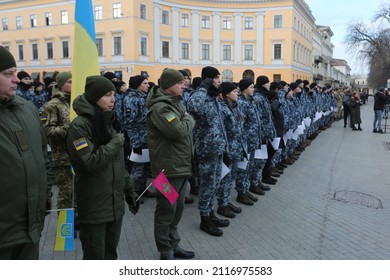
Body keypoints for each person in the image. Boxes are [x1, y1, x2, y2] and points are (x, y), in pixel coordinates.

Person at [66, 75, 139, 260]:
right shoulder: (80, 126)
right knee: (95, 258)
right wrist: (115, 142)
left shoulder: (108, 120)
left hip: (114, 204)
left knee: (110, 255)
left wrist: (129, 190)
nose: (113, 99)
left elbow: (117, 164)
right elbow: (89, 163)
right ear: (94, 97)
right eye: (107, 95)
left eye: (113, 94)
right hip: (95, 207)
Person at [0, 46, 52, 260]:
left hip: (30, 229)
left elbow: (43, 154)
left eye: (15, 73)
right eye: (7, 74)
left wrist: (46, 193)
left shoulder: (27, 108)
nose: (16, 79)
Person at [146, 69, 195, 260]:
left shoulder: (175, 104)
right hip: (166, 170)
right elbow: (178, 131)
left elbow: (181, 127)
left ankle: (174, 244)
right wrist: (189, 118)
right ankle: (165, 251)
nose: (184, 86)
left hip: (180, 166)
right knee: (166, 210)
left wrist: (185, 118)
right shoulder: (161, 109)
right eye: (180, 83)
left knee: (177, 209)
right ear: (168, 86)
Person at [187, 66, 229, 237]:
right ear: (210, 79)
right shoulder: (199, 97)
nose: (220, 80)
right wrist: (203, 87)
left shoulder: (212, 98)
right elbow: (193, 107)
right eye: (217, 77)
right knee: (207, 185)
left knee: (215, 184)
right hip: (207, 150)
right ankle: (205, 218)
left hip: (217, 148)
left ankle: (211, 213)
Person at [41, 72, 73, 210]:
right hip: (62, 158)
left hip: (77, 155)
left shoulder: (74, 102)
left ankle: (76, 220)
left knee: (77, 193)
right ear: (61, 85)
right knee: (66, 194)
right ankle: (65, 227)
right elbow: (47, 131)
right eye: (69, 82)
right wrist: (69, 127)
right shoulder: (52, 105)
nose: (73, 84)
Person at [123, 75, 154, 200]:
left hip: (147, 138)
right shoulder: (132, 99)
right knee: (137, 169)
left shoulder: (143, 98)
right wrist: (135, 143)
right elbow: (129, 123)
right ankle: (133, 194)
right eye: (145, 83)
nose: (148, 85)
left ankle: (142, 189)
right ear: (138, 85)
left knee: (146, 167)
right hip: (139, 140)